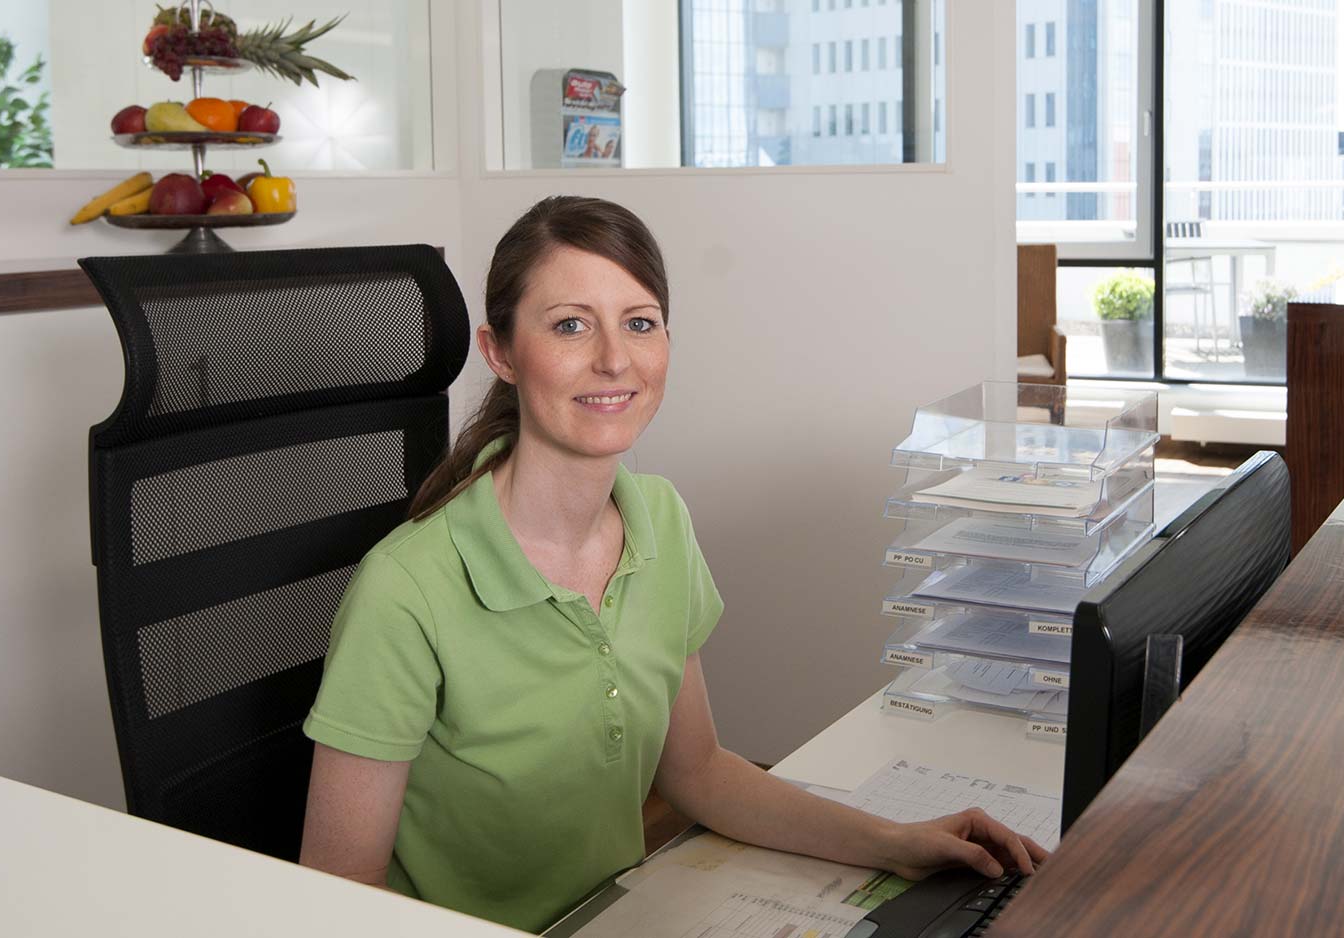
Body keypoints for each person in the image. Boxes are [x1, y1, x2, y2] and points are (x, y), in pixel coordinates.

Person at [297, 196, 1047, 932]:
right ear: (500, 353)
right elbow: (338, 894)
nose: (614, 360)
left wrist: (894, 842)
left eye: (640, 323)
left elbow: (696, 772)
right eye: (570, 325)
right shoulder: (405, 589)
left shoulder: (658, 517)